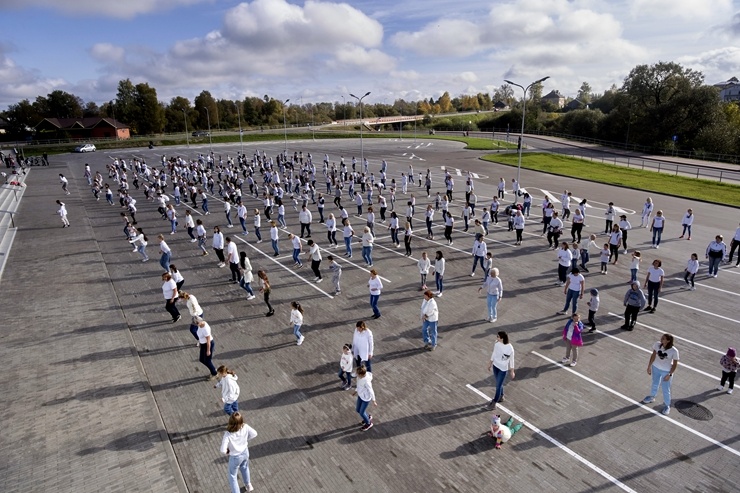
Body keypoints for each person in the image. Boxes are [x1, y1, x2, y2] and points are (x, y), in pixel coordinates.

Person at [220, 412, 257, 493]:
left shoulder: (228, 434)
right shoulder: (245, 427)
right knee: (245, 467)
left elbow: (223, 450)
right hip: (245, 452)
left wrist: (227, 451)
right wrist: (246, 439)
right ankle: (248, 485)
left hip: (235, 457)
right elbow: (254, 433)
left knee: (232, 476)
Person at [642, 333, 679, 415]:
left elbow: (675, 364)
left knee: (666, 389)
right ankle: (652, 396)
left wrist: (670, 374)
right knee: (655, 383)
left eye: (664, 338)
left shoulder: (674, 351)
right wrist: (649, 366)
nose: (661, 339)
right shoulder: (657, 344)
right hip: (656, 368)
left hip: (666, 371)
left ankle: (667, 405)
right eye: (662, 337)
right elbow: (653, 355)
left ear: (668, 341)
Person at [485, 331, 515, 409]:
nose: (496, 337)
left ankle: (494, 403)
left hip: (503, 369)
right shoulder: (497, 343)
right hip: (496, 366)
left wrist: (512, 371)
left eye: (498, 336)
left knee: (498, 386)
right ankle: (501, 396)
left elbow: (512, 360)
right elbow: (494, 353)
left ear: (502, 338)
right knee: (499, 383)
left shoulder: (510, 348)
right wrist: (490, 363)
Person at [352, 365, 377, 431]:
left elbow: (371, 390)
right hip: (360, 396)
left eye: (357, 373)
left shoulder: (367, 382)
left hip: (366, 398)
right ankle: (368, 417)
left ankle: (369, 423)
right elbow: (359, 385)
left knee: (361, 412)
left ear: (361, 374)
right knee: (358, 410)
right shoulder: (359, 377)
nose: (356, 374)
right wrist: (355, 391)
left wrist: (374, 400)